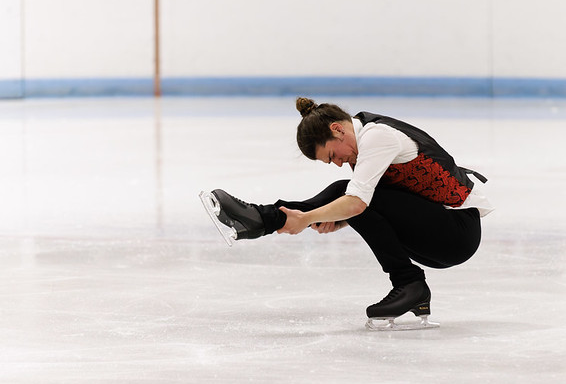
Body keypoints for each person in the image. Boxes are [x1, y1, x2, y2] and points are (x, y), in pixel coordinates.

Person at [201, 97, 493, 330]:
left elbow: (357, 201)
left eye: (331, 155)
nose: (338, 163)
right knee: (350, 196)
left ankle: (261, 219)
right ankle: (410, 286)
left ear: (337, 130)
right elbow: (372, 204)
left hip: (456, 232)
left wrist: (306, 218)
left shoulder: (377, 137)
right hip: (440, 231)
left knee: (348, 193)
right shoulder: (363, 139)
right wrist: (340, 218)